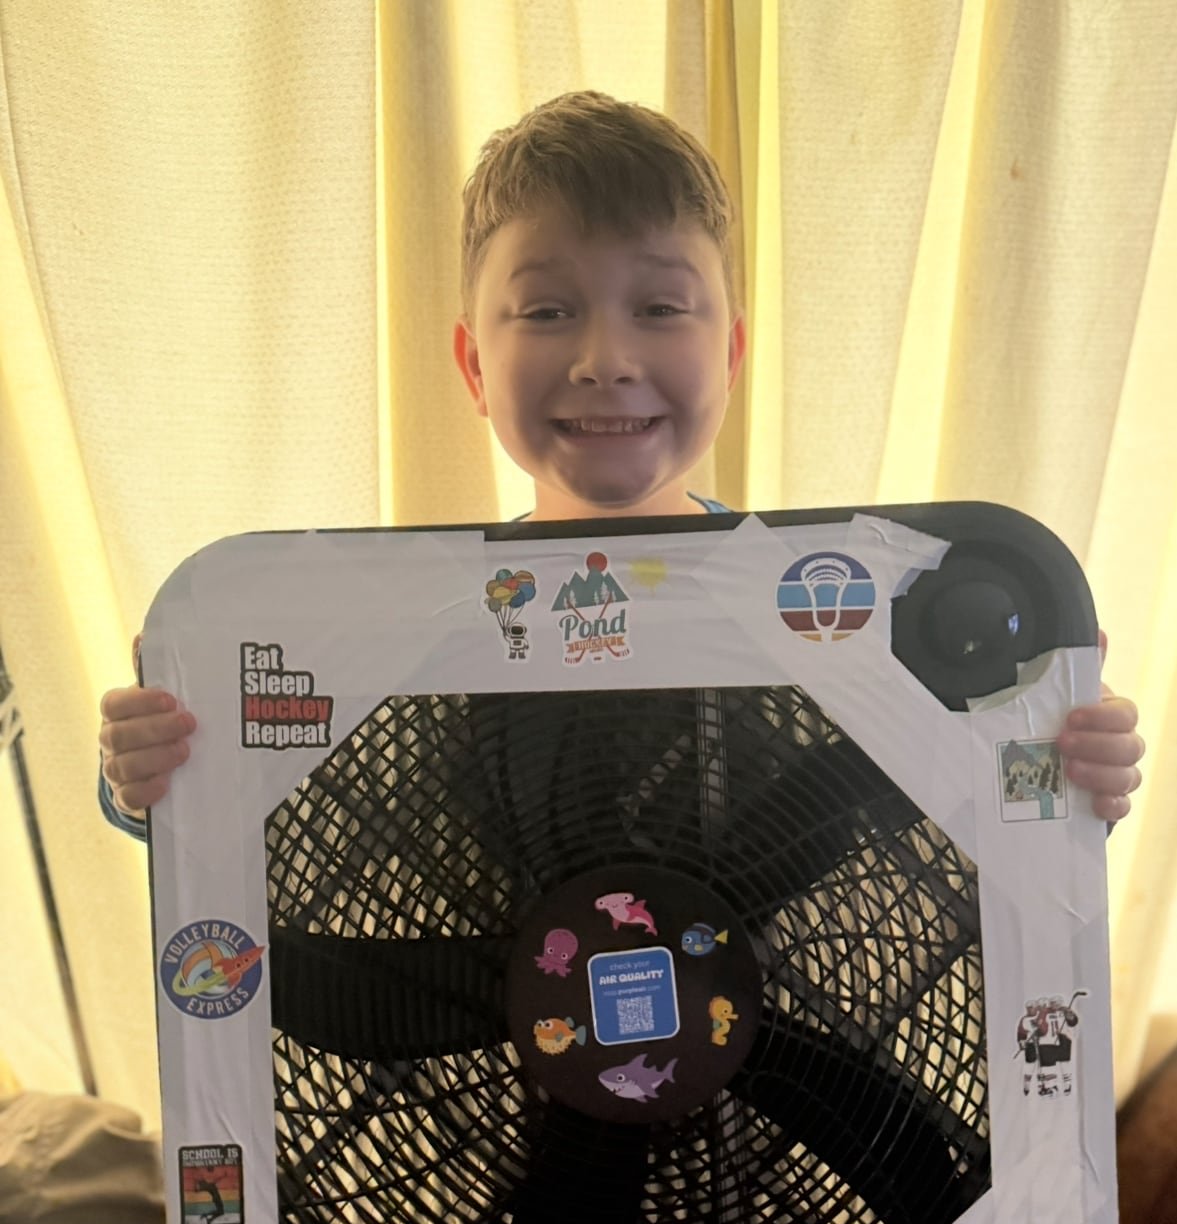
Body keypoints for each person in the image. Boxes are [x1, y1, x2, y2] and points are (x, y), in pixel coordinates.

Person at [98, 91, 1146, 835]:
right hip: (511, 1142)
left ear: (730, 351)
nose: (606, 363)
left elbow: (947, 837)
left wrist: (1059, 766)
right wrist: (160, 779)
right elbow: (311, 839)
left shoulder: (835, 629)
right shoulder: (412, 639)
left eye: (658, 309)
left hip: (769, 1132)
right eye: (548, 312)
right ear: (473, 361)